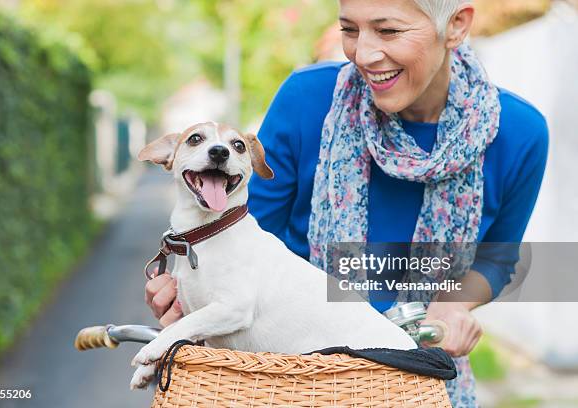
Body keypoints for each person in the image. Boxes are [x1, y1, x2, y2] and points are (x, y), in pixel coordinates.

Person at [144, 0, 548, 406]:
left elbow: (497, 257)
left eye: (388, 31)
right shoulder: (306, 101)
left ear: (457, 26)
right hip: (288, 382)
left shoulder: (520, 134)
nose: (364, 54)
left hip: (419, 384)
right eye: (350, 30)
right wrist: (192, 287)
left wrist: (453, 304)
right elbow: (237, 233)